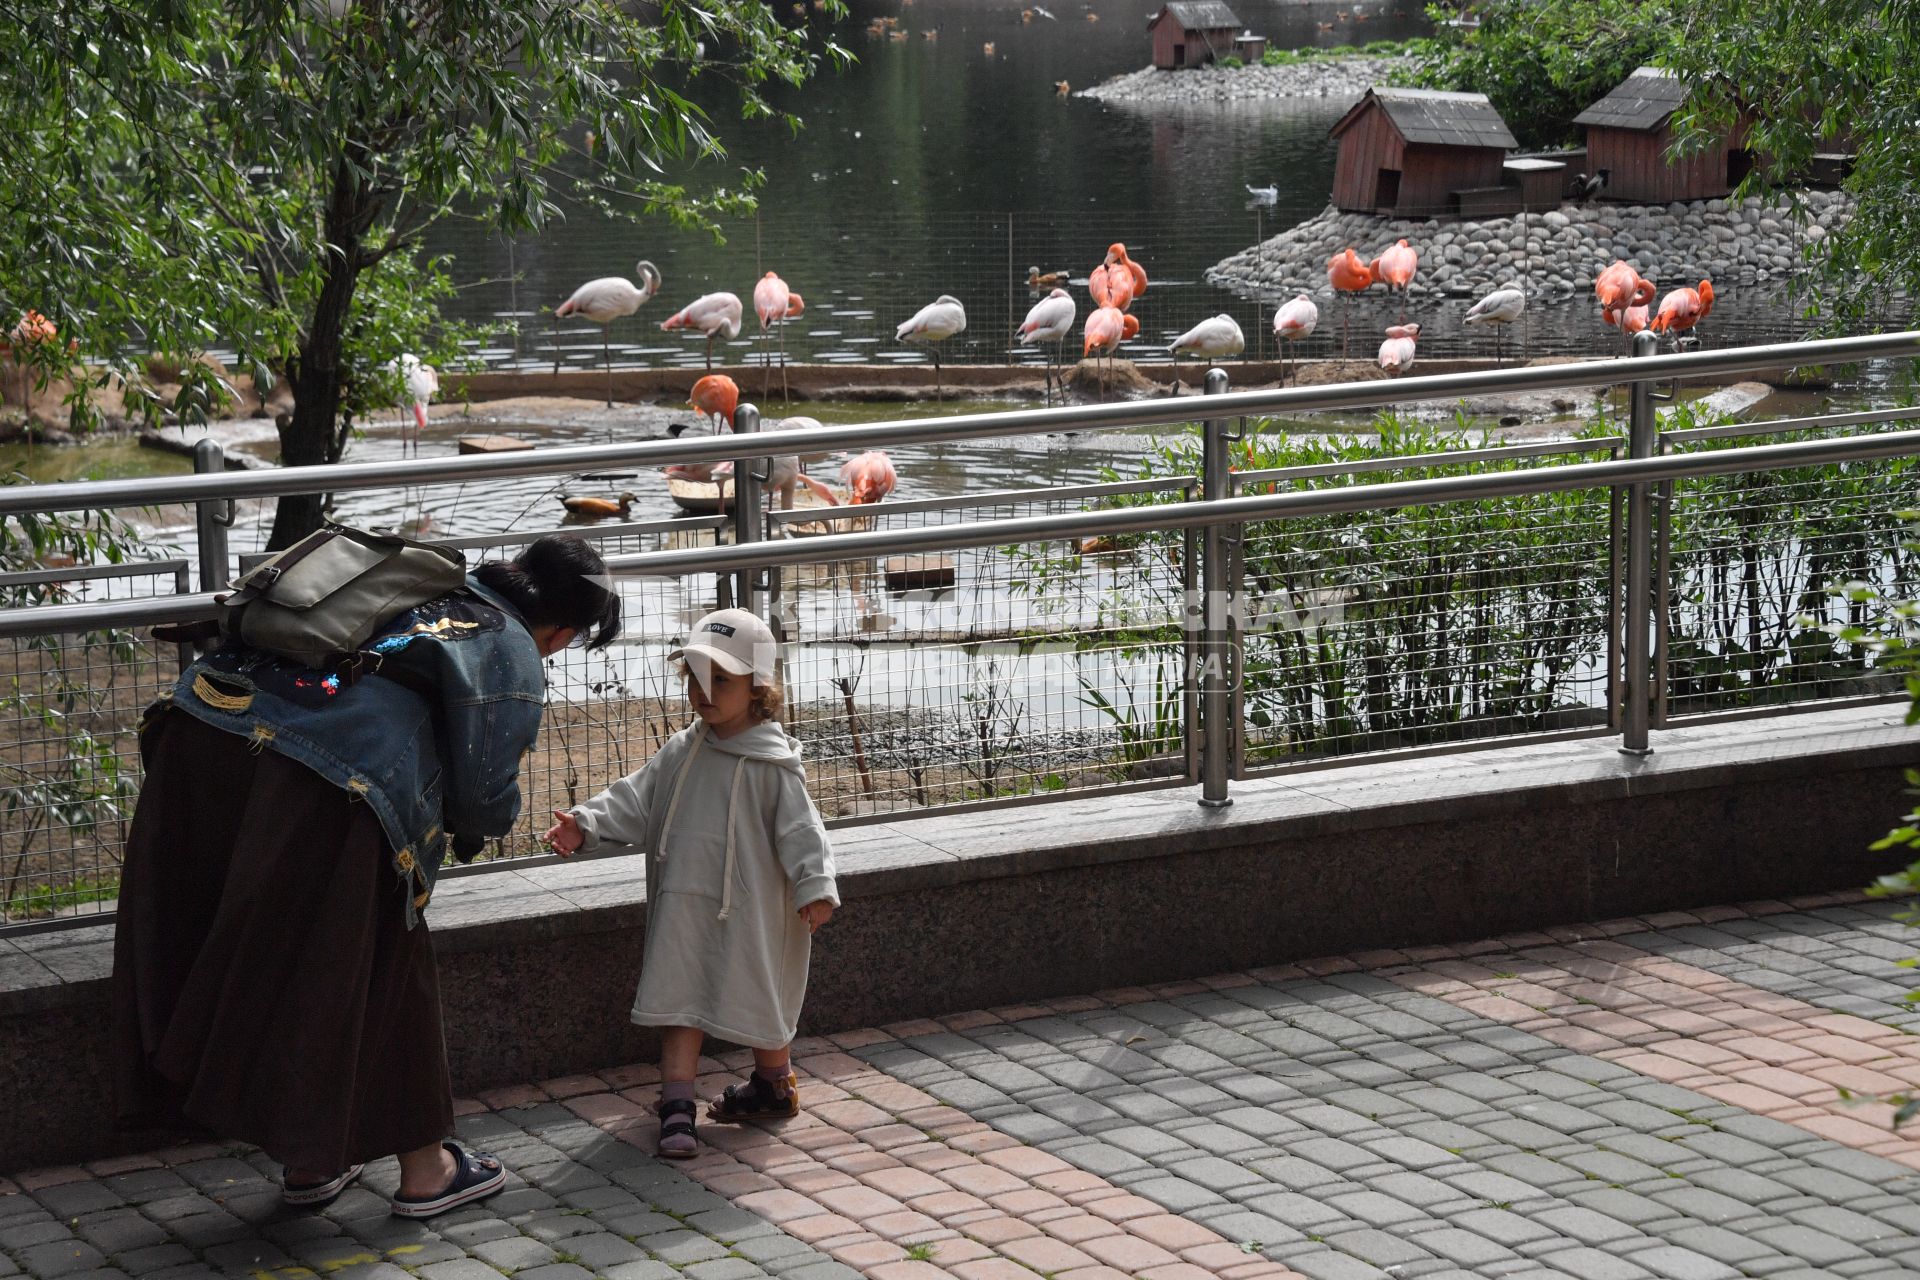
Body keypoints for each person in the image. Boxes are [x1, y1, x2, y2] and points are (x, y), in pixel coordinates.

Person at [112, 534, 620, 1217]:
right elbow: (482, 801)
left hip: (197, 739)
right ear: (562, 631)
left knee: (300, 963)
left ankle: (313, 1158)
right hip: (316, 785)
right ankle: (426, 1171)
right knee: (381, 962)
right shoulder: (509, 646)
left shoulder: (423, 586)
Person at [544, 607, 837, 1159]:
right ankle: (676, 1105)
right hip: (683, 904)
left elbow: (804, 831)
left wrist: (814, 886)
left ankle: (773, 1084)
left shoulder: (773, 766)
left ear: (759, 687)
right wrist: (587, 825)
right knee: (679, 998)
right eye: (695, 676)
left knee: (760, 993)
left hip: (750, 911)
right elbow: (638, 796)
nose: (704, 691)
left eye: (721, 679)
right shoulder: (685, 748)